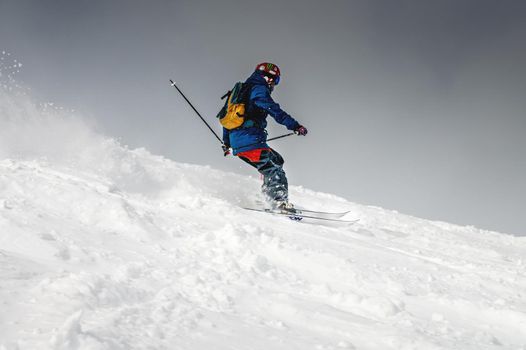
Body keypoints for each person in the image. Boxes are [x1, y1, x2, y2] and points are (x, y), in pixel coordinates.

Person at [222, 62, 308, 211]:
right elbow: (272, 108)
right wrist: (294, 125)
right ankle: (279, 202)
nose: (274, 85)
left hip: (240, 141)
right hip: (250, 139)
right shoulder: (258, 89)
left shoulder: (240, 92)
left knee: (276, 160)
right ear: (268, 78)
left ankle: (267, 197)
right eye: (275, 81)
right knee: (273, 169)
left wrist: (228, 143)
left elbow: (226, 119)